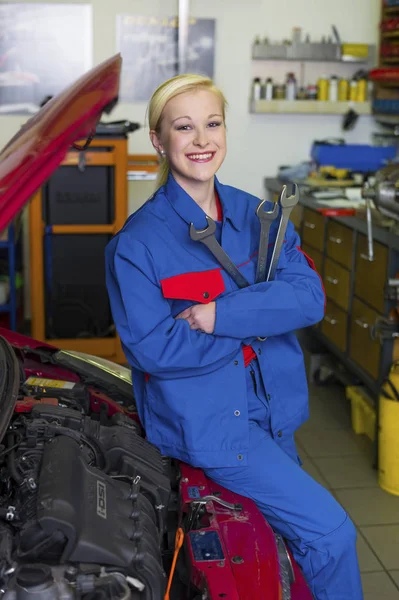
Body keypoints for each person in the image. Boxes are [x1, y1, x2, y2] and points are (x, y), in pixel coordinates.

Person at [105, 73, 363, 600]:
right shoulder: (137, 245)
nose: (202, 140)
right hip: (214, 426)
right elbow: (155, 349)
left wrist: (216, 317)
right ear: (158, 140)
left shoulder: (260, 216)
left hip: (278, 409)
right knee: (331, 535)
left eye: (213, 124)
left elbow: (309, 298)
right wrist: (259, 325)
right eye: (184, 127)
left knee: (284, 547)